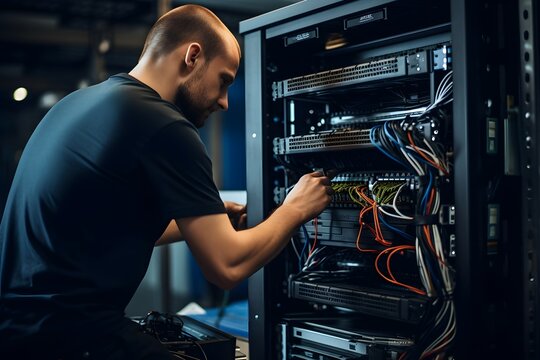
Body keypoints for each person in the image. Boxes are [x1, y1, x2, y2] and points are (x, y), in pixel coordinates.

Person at [0, 4, 332, 359]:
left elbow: (104, 229)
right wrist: (295, 209)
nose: (223, 102)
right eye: (224, 81)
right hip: (75, 337)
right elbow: (227, 266)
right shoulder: (164, 124)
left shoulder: (76, 103)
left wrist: (213, 216)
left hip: (20, 333)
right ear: (192, 56)